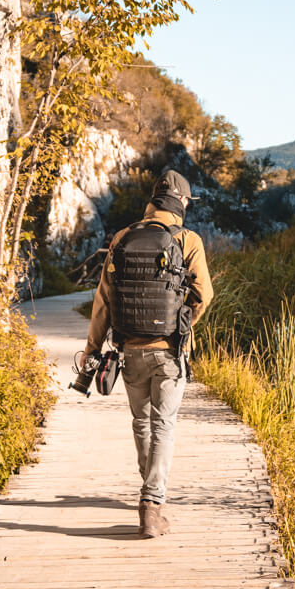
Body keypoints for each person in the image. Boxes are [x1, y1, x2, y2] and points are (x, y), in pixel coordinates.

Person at [83, 168, 214, 539]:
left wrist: (93, 349)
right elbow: (204, 295)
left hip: (129, 351)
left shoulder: (123, 237)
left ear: (153, 202)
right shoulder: (188, 240)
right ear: (183, 203)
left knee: (142, 423)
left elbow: (103, 300)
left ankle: (148, 491)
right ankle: (152, 505)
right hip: (168, 351)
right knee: (164, 425)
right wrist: (181, 323)